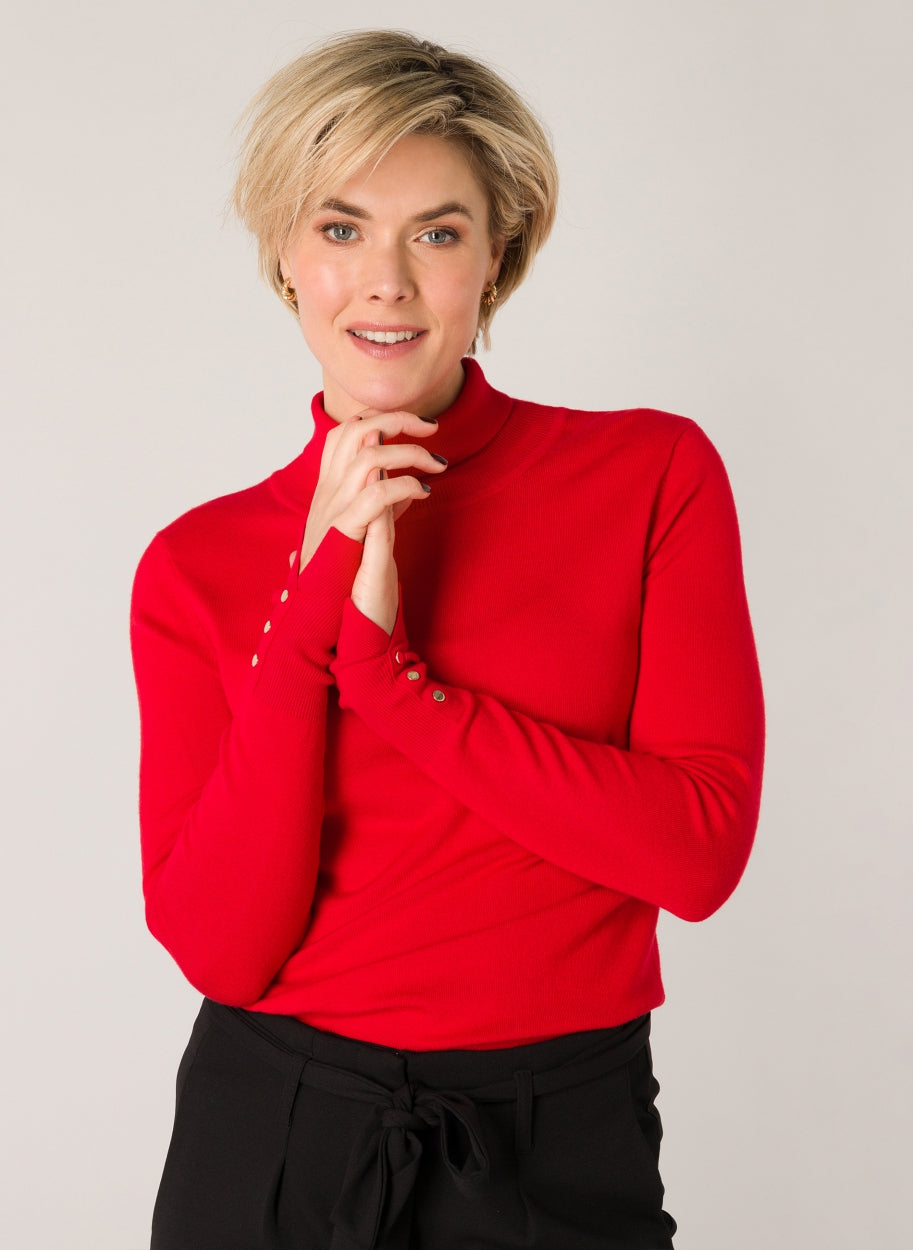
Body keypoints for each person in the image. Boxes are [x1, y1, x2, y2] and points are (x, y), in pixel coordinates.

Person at [130, 29, 764, 1250]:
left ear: (496, 256)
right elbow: (222, 945)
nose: (384, 280)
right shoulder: (196, 564)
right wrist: (314, 602)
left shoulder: (649, 476)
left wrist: (390, 681)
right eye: (340, 226)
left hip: (556, 1133)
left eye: (436, 232)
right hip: (273, 1130)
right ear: (283, 254)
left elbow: (695, 854)